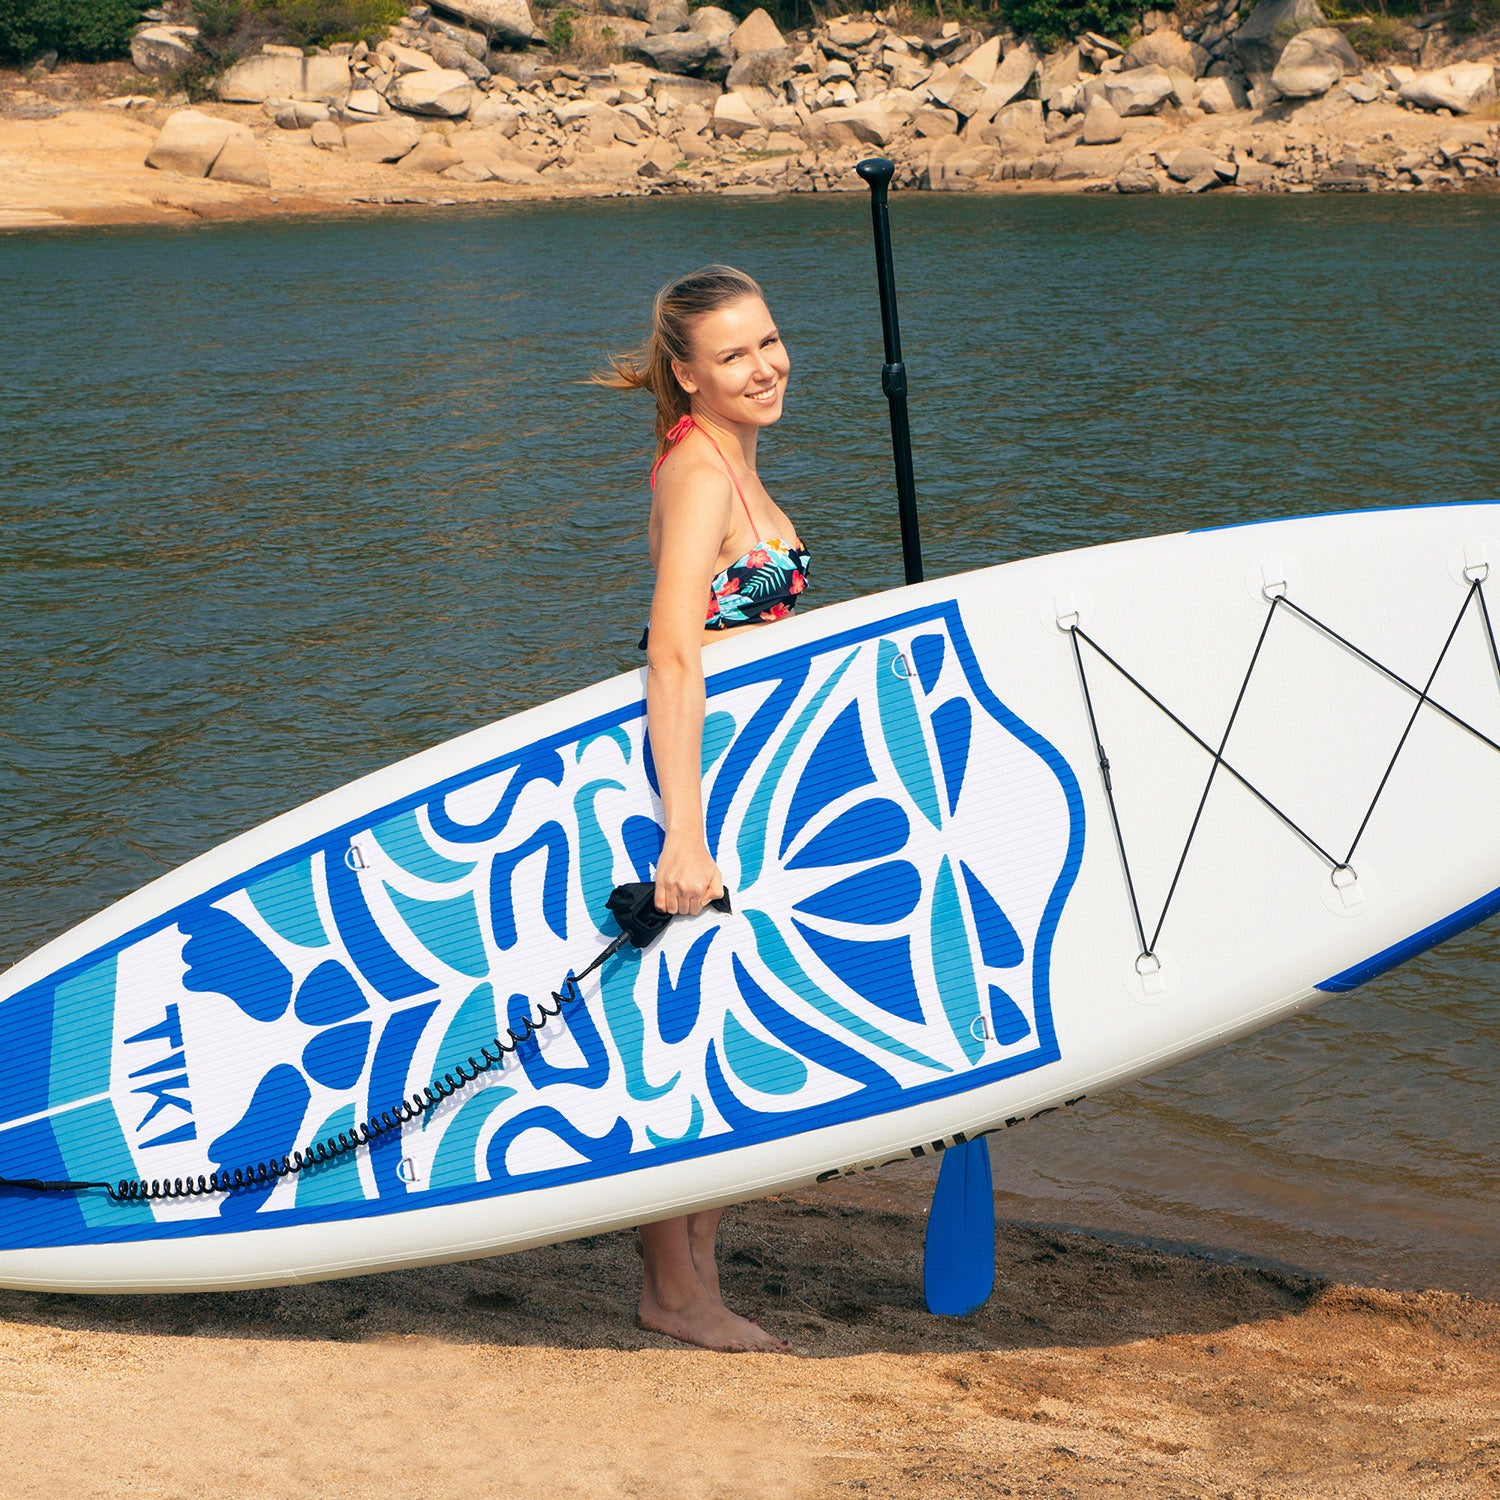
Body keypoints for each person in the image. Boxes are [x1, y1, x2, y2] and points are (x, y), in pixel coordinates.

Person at [594, 264, 811, 1353]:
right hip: (694, 783)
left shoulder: (736, 459)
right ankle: (673, 1293)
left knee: (723, 1025)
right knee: (681, 1036)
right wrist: (685, 828)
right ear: (686, 375)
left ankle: (697, 1282)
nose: (763, 366)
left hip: (742, 781)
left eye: (768, 342)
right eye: (733, 355)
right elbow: (674, 648)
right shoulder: (698, 473)